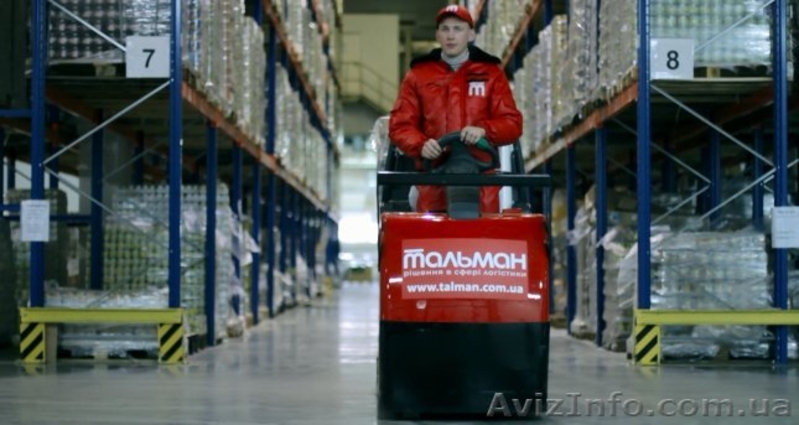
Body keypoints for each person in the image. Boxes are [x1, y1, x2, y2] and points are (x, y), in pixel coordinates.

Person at [388, 4, 523, 214]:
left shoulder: (491, 74)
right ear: (437, 35)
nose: (451, 36)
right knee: (429, 234)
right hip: (433, 183)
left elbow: (512, 123)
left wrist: (484, 130)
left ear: (471, 34)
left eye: (458, 29)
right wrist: (421, 145)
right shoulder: (418, 76)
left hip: (481, 186)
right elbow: (400, 125)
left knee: (484, 234)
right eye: (445, 29)